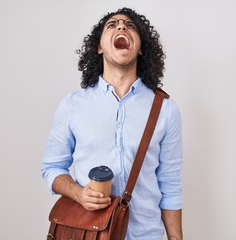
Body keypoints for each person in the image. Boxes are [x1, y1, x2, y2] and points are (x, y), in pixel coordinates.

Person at [42, 7, 183, 240]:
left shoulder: (166, 110)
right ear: (99, 47)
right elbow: (51, 168)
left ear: (140, 49)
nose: (121, 27)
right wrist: (79, 194)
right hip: (88, 234)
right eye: (112, 25)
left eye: (130, 26)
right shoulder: (72, 105)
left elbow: (170, 185)